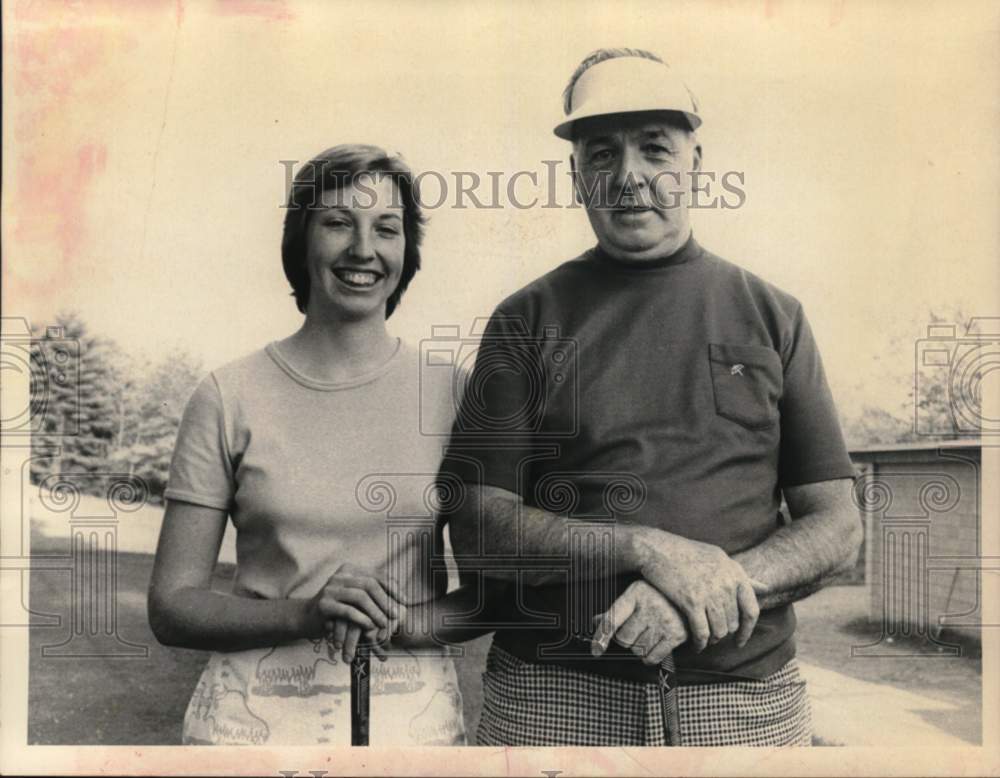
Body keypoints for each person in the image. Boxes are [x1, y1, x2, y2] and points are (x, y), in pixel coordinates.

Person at [442, 49, 863, 746]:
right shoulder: (525, 320)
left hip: (743, 706)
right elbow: (480, 528)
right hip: (554, 702)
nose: (629, 176)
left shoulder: (772, 314)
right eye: (601, 153)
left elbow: (837, 525)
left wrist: (706, 589)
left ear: (696, 162)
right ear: (576, 176)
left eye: (654, 149)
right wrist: (646, 548)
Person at [148, 144, 467, 746]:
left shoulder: (455, 395)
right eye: (339, 222)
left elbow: (493, 596)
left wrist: (396, 621)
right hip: (252, 729)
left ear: (408, 252)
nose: (363, 250)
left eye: (387, 229)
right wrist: (306, 612)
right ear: (302, 239)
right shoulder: (226, 395)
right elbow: (172, 606)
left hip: (413, 726)